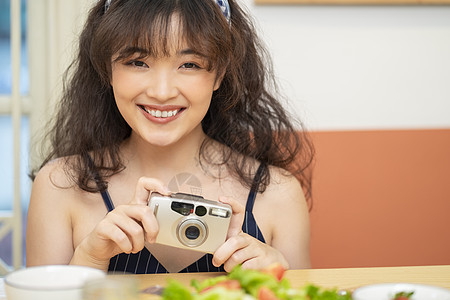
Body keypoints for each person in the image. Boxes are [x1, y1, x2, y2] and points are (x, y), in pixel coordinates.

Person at [26, 0, 314, 274]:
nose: (162, 92)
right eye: (138, 62)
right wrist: (89, 257)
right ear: (107, 68)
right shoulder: (59, 187)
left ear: (219, 74)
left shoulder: (278, 194)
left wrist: (280, 285)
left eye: (189, 64)